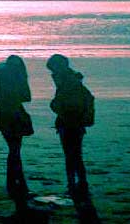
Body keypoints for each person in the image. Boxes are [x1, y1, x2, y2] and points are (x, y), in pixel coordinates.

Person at [47, 54, 93, 197]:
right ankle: (79, 183)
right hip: (74, 122)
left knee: (71, 155)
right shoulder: (73, 81)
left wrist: (55, 106)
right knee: (75, 154)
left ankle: (74, 184)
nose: (53, 74)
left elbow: (63, 104)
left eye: (53, 70)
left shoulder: (68, 82)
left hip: (70, 122)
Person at [0, 55, 34, 209]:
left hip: (0, 113)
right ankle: (17, 184)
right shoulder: (16, 76)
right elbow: (26, 97)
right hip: (13, 114)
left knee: (14, 150)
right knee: (15, 150)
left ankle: (14, 183)